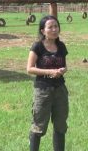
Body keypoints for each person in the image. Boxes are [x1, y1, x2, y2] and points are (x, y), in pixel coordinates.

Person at [26, 15, 69, 151]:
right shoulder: (37, 46)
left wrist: (62, 70)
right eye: (50, 27)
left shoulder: (61, 46)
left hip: (60, 90)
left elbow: (65, 65)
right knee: (39, 126)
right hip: (43, 91)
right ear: (43, 31)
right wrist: (50, 72)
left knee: (60, 126)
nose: (54, 29)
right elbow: (29, 68)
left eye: (56, 26)